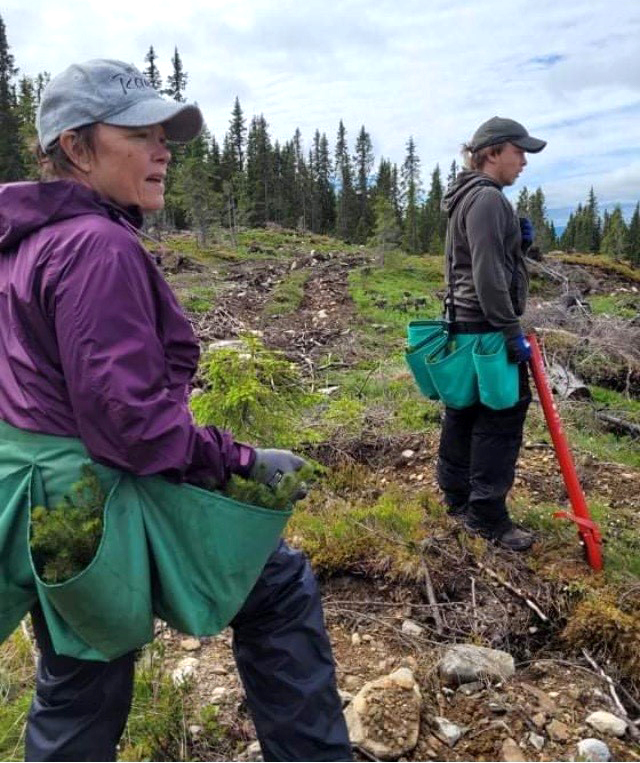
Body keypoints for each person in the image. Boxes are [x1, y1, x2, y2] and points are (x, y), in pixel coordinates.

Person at [0, 59, 352, 762]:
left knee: (80, 680)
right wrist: (244, 461)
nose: (162, 148)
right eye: (139, 132)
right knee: (276, 583)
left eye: (164, 133)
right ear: (76, 146)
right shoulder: (97, 247)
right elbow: (132, 426)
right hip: (91, 505)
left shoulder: (26, 241)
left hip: (43, 503)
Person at [437, 116, 546, 552]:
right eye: (518, 151)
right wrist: (509, 330)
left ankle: (457, 496)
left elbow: (481, 260)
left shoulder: (469, 197)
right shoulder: (487, 201)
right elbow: (485, 275)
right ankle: (486, 517)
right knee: (501, 418)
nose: (523, 161)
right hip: (485, 329)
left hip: (465, 325)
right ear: (493, 152)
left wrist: (516, 245)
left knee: (464, 408)